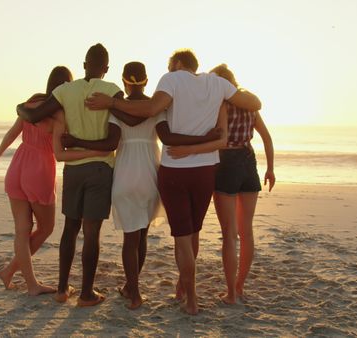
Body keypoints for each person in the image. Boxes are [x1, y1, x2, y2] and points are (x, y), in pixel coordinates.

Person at [85, 49, 262, 315]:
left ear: (178, 65)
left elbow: (151, 109)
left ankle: (190, 298)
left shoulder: (172, 80)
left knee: (181, 239)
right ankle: (184, 290)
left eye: (169, 66)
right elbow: (255, 103)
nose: (167, 70)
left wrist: (112, 103)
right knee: (193, 235)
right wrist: (230, 96)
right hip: (205, 170)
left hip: (174, 169)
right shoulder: (218, 83)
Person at [16, 43, 123, 307]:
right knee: (92, 233)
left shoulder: (65, 90)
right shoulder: (112, 91)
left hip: (73, 169)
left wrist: (19, 107)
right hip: (100, 169)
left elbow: (32, 115)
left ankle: (62, 290)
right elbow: (112, 142)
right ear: (106, 69)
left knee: (70, 229)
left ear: (84, 65)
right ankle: (86, 294)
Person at [167, 64, 275, 305]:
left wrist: (188, 149)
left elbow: (217, 138)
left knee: (229, 235)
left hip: (226, 164)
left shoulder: (220, 105)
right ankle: (239, 286)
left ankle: (229, 293)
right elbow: (267, 137)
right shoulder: (250, 107)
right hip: (249, 162)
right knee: (246, 231)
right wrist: (270, 168)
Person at [63, 61, 162, 309]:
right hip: (150, 175)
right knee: (142, 235)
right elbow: (165, 134)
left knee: (130, 238)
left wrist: (76, 139)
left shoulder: (115, 111)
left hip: (125, 175)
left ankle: (134, 293)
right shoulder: (155, 107)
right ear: (147, 80)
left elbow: (111, 142)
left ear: (124, 82)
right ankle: (131, 289)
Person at [0, 66, 72, 296]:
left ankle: (20, 279)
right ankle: (16, 275)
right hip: (39, 170)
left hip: (17, 165)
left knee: (22, 230)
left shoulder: (31, 103)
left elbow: (14, 131)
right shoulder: (59, 112)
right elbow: (58, 151)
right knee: (46, 227)